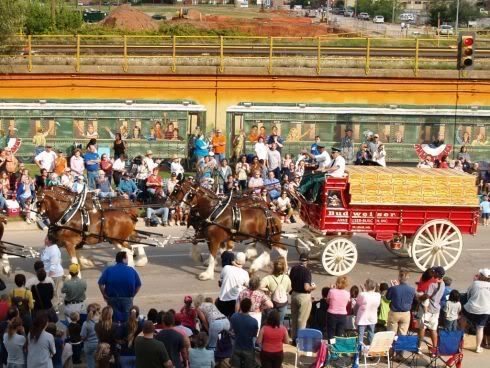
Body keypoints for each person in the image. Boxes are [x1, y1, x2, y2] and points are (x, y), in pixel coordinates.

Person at [98, 251, 142, 322]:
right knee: (127, 321)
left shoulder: (109, 270)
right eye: (127, 258)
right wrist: (133, 295)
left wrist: (104, 294)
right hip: (127, 299)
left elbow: (100, 283)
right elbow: (139, 285)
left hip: (112, 299)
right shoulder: (131, 270)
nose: (127, 260)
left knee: (113, 320)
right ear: (123, 259)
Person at [416, 266, 445, 351]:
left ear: (436, 274)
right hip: (436, 310)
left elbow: (426, 296)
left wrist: (418, 298)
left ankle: (419, 347)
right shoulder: (442, 284)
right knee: (433, 330)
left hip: (427, 310)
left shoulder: (433, 284)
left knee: (422, 328)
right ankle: (435, 348)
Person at [289, 253, 316, 343]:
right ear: (307, 261)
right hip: (303, 296)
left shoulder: (293, 269)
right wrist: (313, 287)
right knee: (302, 320)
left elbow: (290, 282)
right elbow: (306, 287)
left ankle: (293, 338)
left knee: (294, 318)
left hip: (294, 295)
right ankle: (299, 340)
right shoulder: (306, 271)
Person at [463, 268, 490, 353]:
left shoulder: (475, 283)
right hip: (485, 311)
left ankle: (460, 342)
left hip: (471, 308)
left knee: (464, 323)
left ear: (481, 276)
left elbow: (468, 295)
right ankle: (478, 347)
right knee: (480, 328)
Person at [216, 252, 249, 318]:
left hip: (222, 300)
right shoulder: (245, 273)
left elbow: (221, 280)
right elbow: (248, 286)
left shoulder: (226, 268)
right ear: (244, 262)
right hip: (235, 302)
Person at [260, 258, 292, 324]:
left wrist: (267, 289)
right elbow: (289, 289)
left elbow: (259, 286)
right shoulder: (286, 278)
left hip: (273, 303)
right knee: (280, 323)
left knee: (270, 322)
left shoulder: (268, 278)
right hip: (283, 303)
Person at [230, 298, 258, 368]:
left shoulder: (234, 316)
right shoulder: (254, 321)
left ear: (241, 306)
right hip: (248, 348)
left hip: (236, 346)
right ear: (250, 307)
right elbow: (254, 335)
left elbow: (231, 329)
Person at [386, 270, 416, 336]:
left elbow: (388, 297)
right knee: (402, 334)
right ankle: (400, 345)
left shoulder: (394, 288)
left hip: (394, 312)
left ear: (399, 277)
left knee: (391, 333)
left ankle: (392, 345)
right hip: (406, 313)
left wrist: (392, 287)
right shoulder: (412, 289)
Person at [40, 233, 64, 309]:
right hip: (48, 272)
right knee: (52, 291)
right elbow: (45, 256)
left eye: (46, 239)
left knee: (54, 292)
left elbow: (53, 265)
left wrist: (48, 278)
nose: (44, 240)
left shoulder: (53, 250)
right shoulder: (48, 247)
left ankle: (55, 307)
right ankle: (57, 302)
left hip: (54, 275)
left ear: (50, 241)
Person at [356, 279, 381, 345]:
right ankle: (371, 350)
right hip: (372, 317)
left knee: (361, 335)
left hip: (362, 317)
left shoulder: (363, 294)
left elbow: (358, 302)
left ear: (366, 286)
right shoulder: (378, 295)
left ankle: (359, 351)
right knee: (371, 333)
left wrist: (363, 292)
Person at [81, 303, 101, 368]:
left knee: (90, 363)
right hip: (99, 344)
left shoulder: (86, 323)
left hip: (88, 345)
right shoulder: (101, 321)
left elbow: (83, 336)